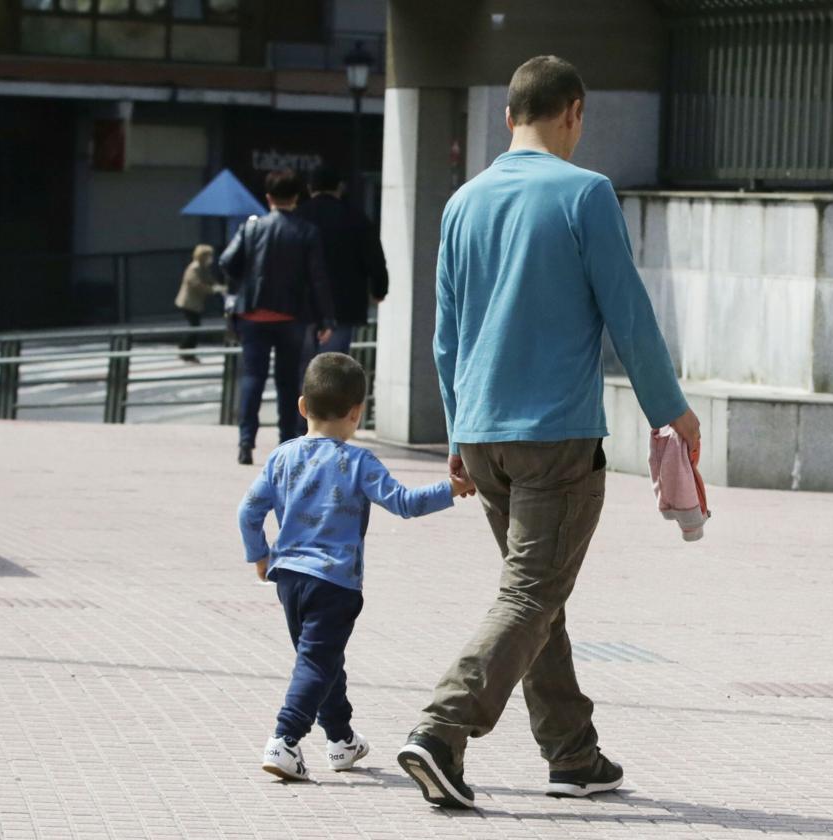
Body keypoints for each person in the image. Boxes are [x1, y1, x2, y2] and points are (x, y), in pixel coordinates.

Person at [396, 55, 702, 810]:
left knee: (538, 596)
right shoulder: (586, 192)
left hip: (484, 434)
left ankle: (573, 755)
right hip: (556, 434)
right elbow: (626, 312)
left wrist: (457, 435)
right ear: (573, 113)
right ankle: (442, 728)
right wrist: (672, 410)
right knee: (532, 592)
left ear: (508, 116)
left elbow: (447, 335)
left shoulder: (463, 203)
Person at [238, 352, 475, 782]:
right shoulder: (359, 463)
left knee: (324, 659)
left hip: (289, 579)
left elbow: (248, 511)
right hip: (334, 583)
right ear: (357, 412)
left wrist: (260, 555)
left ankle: (341, 740)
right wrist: (451, 489)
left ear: (302, 407)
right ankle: (284, 739)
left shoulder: (281, 458)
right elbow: (404, 503)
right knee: (315, 661)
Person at [220, 169, 335, 466]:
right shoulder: (307, 231)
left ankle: (246, 443)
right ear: (296, 197)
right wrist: (326, 319)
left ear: (268, 197)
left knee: (252, 377)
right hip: (291, 316)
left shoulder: (251, 227)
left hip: (253, 315)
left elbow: (227, 262)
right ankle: (285, 443)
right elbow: (318, 278)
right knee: (288, 381)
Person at [295, 164, 388, 356]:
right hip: (343, 304)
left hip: (301, 304)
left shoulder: (297, 218)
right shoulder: (356, 218)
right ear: (340, 187)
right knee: (331, 368)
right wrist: (379, 289)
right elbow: (374, 258)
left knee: (301, 369)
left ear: (310, 187)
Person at [174, 244, 225, 363]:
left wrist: (218, 286)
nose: (211, 259)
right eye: (209, 256)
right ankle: (186, 351)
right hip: (188, 303)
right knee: (194, 327)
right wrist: (213, 290)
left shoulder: (203, 267)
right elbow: (196, 284)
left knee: (195, 327)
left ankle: (186, 350)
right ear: (203, 256)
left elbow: (209, 279)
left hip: (195, 303)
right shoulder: (194, 268)